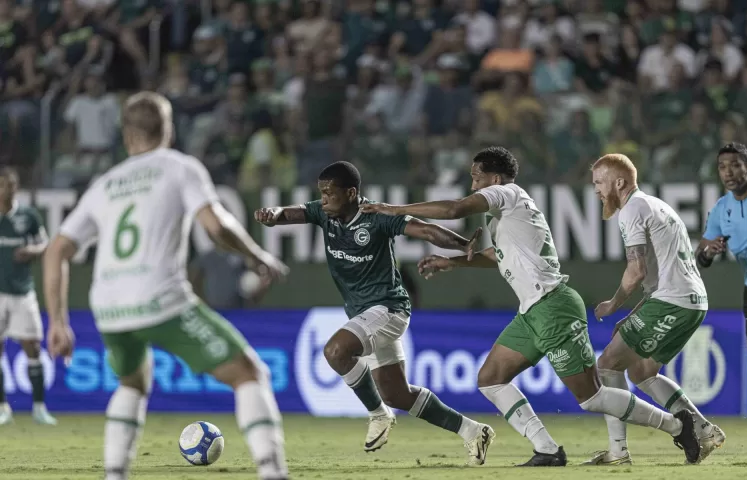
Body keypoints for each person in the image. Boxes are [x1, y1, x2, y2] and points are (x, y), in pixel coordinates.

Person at [361, 146, 701, 466]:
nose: (473, 184)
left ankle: (676, 426)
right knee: (491, 378)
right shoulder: (507, 214)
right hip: (532, 311)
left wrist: (395, 209)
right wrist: (454, 262)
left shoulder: (506, 193)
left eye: (476, 177)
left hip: (553, 306)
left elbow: (454, 209)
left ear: (494, 178)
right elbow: (500, 255)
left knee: (591, 397)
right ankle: (547, 449)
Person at [42, 92, 291, 480]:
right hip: (159, 298)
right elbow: (217, 225)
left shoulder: (105, 183)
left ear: (126, 135)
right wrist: (257, 256)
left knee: (132, 382)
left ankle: (114, 472)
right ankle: (273, 471)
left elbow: (56, 250)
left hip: (108, 307)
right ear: (169, 130)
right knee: (248, 373)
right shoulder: (179, 167)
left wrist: (57, 322)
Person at [254, 161, 496, 465]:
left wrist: (462, 244)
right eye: (321, 192)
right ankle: (473, 431)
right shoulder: (323, 213)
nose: (324, 198)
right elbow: (290, 213)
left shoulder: (377, 217)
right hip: (365, 313)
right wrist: (273, 215)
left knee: (335, 351)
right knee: (397, 394)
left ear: (352, 192)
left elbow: (425, 230)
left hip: (389, 308)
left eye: (330, 192)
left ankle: (378, 415)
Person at [589, 153, 725, 465]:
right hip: (691, 301)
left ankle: (618, 451)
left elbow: (635, 271)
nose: (596, 189)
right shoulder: (657, 205)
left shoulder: (631, 210)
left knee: (608, 365)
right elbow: (657, 276)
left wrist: (613, 303)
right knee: (642, 371)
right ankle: (703, 430)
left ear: (619, 182)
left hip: (671, 302)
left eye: (599, 181)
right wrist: (633, 313)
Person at [697, 143, 747, 387]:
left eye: (735, 166)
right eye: (722, 167)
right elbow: (701, 258)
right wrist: (709, 253)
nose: (728, 172)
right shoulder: (719, 211)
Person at [0, 167, 57, 426]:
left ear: (16, 187)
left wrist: (30, 251)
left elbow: (46, 244)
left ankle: (39, 407)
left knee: (32, 347)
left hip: (23, 292)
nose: (5, 189)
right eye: (1, 184)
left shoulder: (29, 216)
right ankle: (3, 408)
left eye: (9, 184)